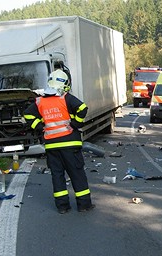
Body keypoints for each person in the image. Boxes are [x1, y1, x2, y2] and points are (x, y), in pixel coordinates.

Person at [24, 69, 95, 214]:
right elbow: (82, 108)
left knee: (57, 176)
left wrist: (40, 126)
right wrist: (76, 124)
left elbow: (27, 114)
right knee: (77, 174)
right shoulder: (65, 98)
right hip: (70, 144)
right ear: (65, 84)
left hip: (52, 146)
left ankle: (62, 207)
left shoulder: (40, 101)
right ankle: (84, 205)